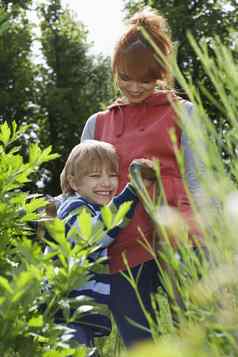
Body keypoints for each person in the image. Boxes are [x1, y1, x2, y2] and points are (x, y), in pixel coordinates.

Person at [81, 7, 203, 348]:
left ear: (161, 74)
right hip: (122, 247)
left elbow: (197, 180)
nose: (134, 87)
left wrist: (204, 242)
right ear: (115, 71)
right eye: (125, 77)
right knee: (140, 343)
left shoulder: (183, 113)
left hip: (177, 242)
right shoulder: (98, 124)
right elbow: (79, 189)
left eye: (146, 79)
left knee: (193, 334)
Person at [50, 139, 155, 352]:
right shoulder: (74, 208)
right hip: (65, 310)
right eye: (95, 176)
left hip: (78, 313)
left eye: (112, 175)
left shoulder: (89, 206)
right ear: (74, 182)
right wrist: (131, 192)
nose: (106, 183)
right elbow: (94, 234)